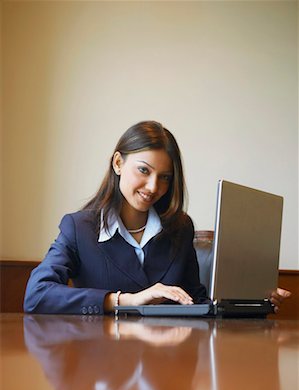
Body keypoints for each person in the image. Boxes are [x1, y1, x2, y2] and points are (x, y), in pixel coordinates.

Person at [24, 121, 290, 315]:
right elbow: (36, 295)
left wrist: (252, 303)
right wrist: (125, 300)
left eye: (164, 177)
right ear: (118, 163)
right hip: (103, 369)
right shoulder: (79, 228)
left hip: (167, 368)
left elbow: (195, 301)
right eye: (143, 170)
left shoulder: (180, 228)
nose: (153, 187)